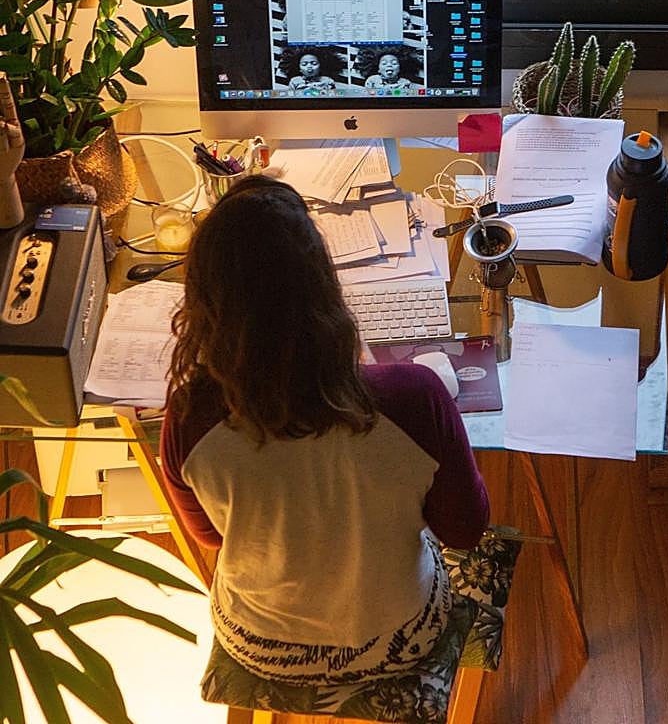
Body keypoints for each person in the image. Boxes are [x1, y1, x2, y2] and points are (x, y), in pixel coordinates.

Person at [161, 176, 489, 686]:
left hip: (256, 643)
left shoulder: (188, 415)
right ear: (324, 286)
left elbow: (210, 537)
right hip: (397, 640)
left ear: (204, 299)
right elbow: (465, 531)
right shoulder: (413, 396)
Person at [356, 44, 422, 91]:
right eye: (384, 63)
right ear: (378, 69)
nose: (389, 65)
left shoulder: (405, 83)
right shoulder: (372, 81)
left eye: (394, 63)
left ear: (400, 68)